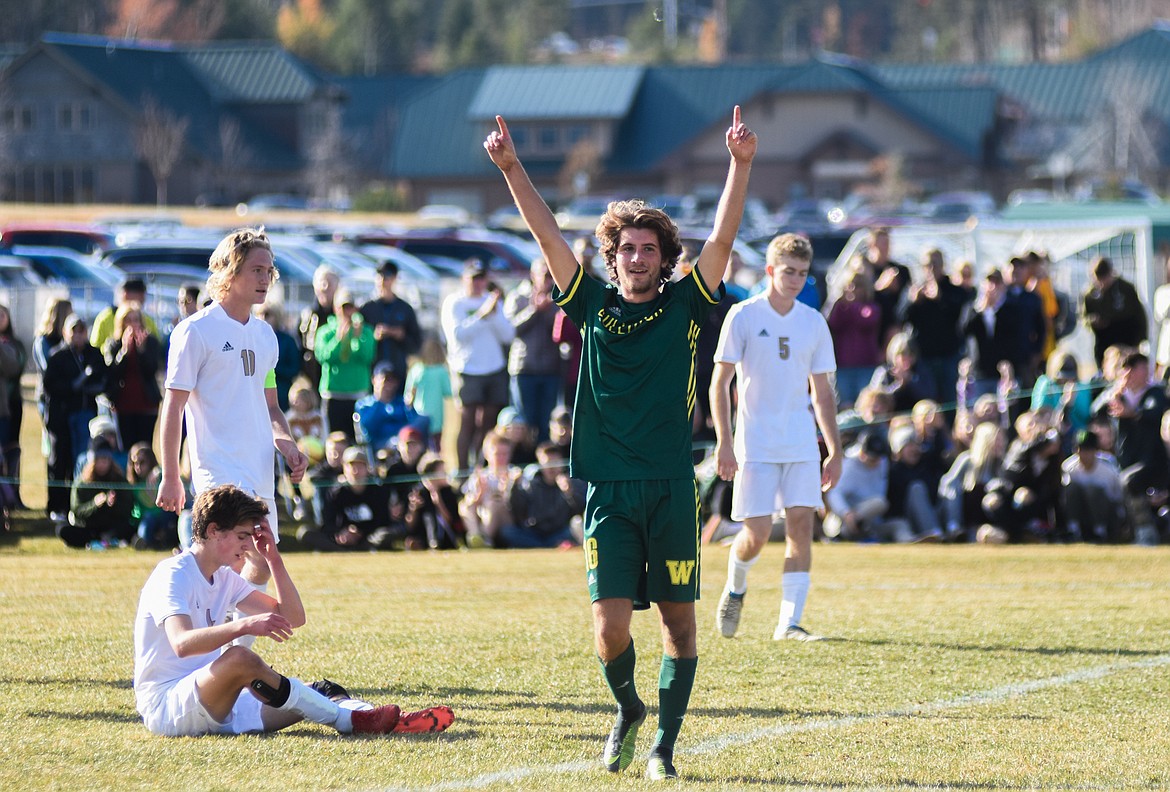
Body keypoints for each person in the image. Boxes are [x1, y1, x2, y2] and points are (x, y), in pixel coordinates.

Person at [485, 105, 756, 780]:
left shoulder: (688, 302)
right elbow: (547, 238)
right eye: (625, 249)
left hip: (670, 484)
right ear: (612, 258)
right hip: (608, 488)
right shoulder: (592, 305)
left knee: (679, 627)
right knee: (608, 630)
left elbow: (721, 237)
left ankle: (664, 744)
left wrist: (740, 164)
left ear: (664, 260)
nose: (636, 258)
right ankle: (630, 709)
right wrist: (513, 168)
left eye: (647, 249)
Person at [134, 483, 452, 737]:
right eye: (242, 536)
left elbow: (294, 617)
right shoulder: (173, 574)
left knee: (322, 691)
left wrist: (273, 559)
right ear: (215, 530)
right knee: (240, 660)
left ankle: (371, 717)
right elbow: (182, 643)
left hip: (216, 701)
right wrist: (244, 626)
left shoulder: (224, 577)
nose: (248, 546)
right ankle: (347, 721)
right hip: (168, 707)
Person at [156, 228, 309, 594]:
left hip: (259, 469)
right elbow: (173, 407)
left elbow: (270, 405)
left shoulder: (265, 336)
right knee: (224, 559)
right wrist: (171, 475)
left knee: (261, 562)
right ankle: (184, 622)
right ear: (230, 272)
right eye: (256, 269)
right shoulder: (196, 332)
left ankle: (230, 645)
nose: (265, 279)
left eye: (269, 271)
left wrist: (286, 444)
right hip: (217, 469)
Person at [709, 232, 841, 643]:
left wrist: (834, 449)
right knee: (757, 535)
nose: (796, 279)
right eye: (788, 271)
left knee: (802, 525)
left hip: (800, 443)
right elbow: (720, 384)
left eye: (802, 273)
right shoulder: (744, 315)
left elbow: (822, 392)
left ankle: (789, 623)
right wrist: (725, 442)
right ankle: (736, 583)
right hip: (756, 445)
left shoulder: (812, 321)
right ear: (770, 270)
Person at [441, 260, 515, 473]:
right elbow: (458, 336)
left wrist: (492, 315)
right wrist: (482, 315)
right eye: (473, 278)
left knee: (489, 422)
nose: (478, 283)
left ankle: (482, 467)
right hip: (467, 369)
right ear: (464, 279)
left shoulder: (493, 302)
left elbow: (508, 335)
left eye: (481, 278)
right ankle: (463, 472)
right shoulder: (455, 303)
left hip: (494, 368)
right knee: (468, 422)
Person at [42, 314, 107, 522]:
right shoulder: (57, 356)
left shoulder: (93, 354)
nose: (78, 336)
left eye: (82, 331)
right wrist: (73, 386)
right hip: (61, 418)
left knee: (81, 462)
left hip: (86, 416)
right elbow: (50, 386)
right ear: (65, 333)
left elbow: (102, 377)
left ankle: (77, 505)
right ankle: (57, 505)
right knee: (60, 461)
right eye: (74, 331)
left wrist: (89, 385)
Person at [297, 446, 403, 551]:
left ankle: (354, 550)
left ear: (367, 469)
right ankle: (343, 551)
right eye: (351, 466)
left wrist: (360, 533)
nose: (355, 471)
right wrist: (342, 532)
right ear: (344, 469)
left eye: (360, 467)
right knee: (304, 533)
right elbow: (328, 523)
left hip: (369, 538)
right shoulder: (336, 492)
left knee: (387, 534)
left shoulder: (379, 491)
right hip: (342, 539)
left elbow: (383, 522)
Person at [902, 248, 967, 406]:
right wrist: (912, 302)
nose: (931, 268)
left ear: (943, 265)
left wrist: (941, 298)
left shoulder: (954, 290)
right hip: (924, 356)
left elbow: (962, 318)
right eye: (927, 265)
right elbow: (902, 318)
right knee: (927, 400)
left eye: (935, 264)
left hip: (949, 356)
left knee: (950, 400)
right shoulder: (916, 290)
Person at [505, 258, 562, 441]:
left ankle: (545, 462)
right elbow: (509, 330)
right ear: (532, 274)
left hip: (551, 369)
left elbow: (560, 330)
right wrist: (534, 310)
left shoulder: (559, 299)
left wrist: (548, 309)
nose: (546, 279)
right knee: (525, 422)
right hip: (524, 369)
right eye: (543, 274)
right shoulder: (518, 297)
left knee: (547, 422)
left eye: (549, 275)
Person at [314, 289, 376, 439]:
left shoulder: (366, 331)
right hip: (333, 395)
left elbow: (368, 357)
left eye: (351, 307)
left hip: (358, 394)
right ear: (336, 308)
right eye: (344, 307)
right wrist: (338, 340)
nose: (347, 311)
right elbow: (323, 357)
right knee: (333, 439)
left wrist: (357, 338)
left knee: (358, 439)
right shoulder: (325, 332)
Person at [102, 302, 163, 451]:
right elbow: (113, 371)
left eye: (136, 320)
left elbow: (152, 370)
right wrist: (124, 351)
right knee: (125, 448)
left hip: (146, 405)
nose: (133, 324)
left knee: (145, 448)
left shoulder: (151, 343)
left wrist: (141, 351)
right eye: (128, 320)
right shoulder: (113, 344)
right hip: (123, 406)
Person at [504, 442, 585, 548]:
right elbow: (516, 508)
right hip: (534, 533)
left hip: (559, 532)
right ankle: (545, 545)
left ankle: (542, 546)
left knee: (575, 526)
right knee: (507, 532)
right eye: (547, 463)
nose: (551, 468)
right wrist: (514, 486)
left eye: (555, 463)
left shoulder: (571, 482)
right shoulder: (531, 484)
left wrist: (569, 492)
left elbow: (579, 510)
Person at [59, 436, 135, 548]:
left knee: (129, 528)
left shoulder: (119, 479)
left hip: (111, 526)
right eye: (100, 460)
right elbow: (77, 510)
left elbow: (128, 509)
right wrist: (94, 504)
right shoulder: (82, 482)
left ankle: (103, 540)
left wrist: (113, 504)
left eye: (106, 460)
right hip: (88, 527)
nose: (103, 464)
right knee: (62, 529)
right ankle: (103, 541)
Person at [360, 260, 421, 397]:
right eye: (379, 276)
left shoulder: (404, 309)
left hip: (397, 371)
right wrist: (373, 337)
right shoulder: (367, 308)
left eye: (386, 276)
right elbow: (358, 340)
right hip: (372, 372)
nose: (382, 281)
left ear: (394, 279)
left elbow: (416, 345)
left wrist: (399, 335)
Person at [826, 266, 882, 408]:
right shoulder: (840, 308)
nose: (852, 290)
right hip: (844, 367)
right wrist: (838, 303)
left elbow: (867, 319)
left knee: (865, 405)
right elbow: (832, 322)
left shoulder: (871, 307)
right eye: (849, 286)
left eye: (857, 286)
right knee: (846, 405)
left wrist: (852, 307)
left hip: (866, 366)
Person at [1061, 429, 1126, 543]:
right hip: (1082, 513)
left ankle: (1100, 531)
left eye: (1088, 450)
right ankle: (1073, 529)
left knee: (1093, 490)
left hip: (1107, 513)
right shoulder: (1069, 467)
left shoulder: (1108, 466)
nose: (1083, 454)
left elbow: (1118, 494)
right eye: (1080, 450)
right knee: (1071, 488)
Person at [458, 430, 521, 547]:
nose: (501, 458)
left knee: (493, 504)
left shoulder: (515, 473)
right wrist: (479, 495)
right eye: (497, 454)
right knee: (464, 506)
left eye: (505, 454)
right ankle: (475, 536)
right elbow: (470, 502)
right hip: (483, 517)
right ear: (487, 454)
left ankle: (484, 538)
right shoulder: (480, 476)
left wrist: (509, 487)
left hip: (508, 520)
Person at [1082, 257, 1147, 370]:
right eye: (1098, 280)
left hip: (1126, 337)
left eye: (1104, 279)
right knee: (1105, 372)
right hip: (1104, 340)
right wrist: (1092, 321)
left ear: (1111, 274)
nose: (1101, 284)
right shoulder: (1090, 294)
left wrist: (1138, 342)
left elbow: (1139, 317)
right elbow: (1084, 317)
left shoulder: (1126, 289)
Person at [354, 361, 426, 453]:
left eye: (392, 380)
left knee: (424, 419)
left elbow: (413, 424)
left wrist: (410, 408)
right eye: (385, 379)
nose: (388, 384)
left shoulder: (402, 403)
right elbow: (367, 428)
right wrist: (380, 401)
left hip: (403, 444)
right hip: (376, 446)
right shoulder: (363, 404)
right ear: (373, 380)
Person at [405, 452, 465, 550]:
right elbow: (410, 525)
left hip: (446, 537)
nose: (446, 474)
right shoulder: (419, 492)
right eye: (443, 472)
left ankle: (434, 542)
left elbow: (449, 519)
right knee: (428, 515)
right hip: (422, 535)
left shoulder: (449, 492)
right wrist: (413, 508)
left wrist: (437, 500)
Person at [404, 335, 452, 452]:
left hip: (417, 415)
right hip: (436, 416)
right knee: (435, 446)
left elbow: (408, 394)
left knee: (420, 443)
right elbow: (448, 392)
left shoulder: (416, 370)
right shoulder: (441, 371)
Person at [127, 442, 178, 551]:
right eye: (135, 463)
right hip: (146, 519)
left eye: (142, 463)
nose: (138, 467)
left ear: (150, 462)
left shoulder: (159, 477)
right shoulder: (133, 484)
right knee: (146, 526)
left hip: (165, 516)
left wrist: (158, 470)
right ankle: (144, 541)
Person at [0, 303, 26, 510]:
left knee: (11, 452)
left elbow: (14, 368)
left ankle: (11, 497)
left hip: (9, 407)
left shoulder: (14, 344)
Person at [298, 265, 340, 390]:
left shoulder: (342, 316)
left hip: (334, 380)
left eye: (330, 283)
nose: (325, 287)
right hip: (311, 377)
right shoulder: (307, 316)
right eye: (322, 283)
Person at [257, 301, 302, 412]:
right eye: (260, 313)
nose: (263, 318)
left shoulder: (288, 340)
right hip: (257, 393)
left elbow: (295, 369)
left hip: (281, 393)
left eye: (267, 314)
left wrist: (271, 368)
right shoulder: (252, 337)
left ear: (276, 316)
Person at [91, 277, 161, 350]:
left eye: (136, 320)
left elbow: (157, 348)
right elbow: (95, 348)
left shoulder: (147, 320)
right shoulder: (104, 318)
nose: (143, 298)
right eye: (138, 294)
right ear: (125, 295)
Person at [162, 284, 202, 363]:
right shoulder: (177, 326)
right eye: (180, 301)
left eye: (187, 300)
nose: (183, 305)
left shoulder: (204, 324)